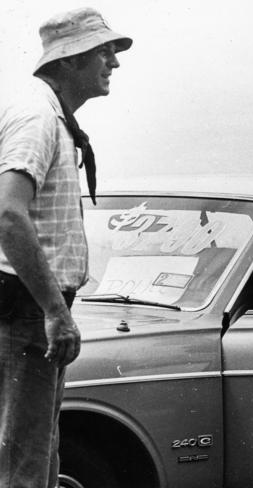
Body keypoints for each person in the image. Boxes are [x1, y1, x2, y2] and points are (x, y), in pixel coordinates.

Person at [0, 8, 132, 487]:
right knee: (25, 462)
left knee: (38, 452)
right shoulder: (38, 118)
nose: (113, 62)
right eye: (102, 51)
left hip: (31, 307)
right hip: (28, 307)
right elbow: (8, 213)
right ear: (69, 60)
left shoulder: (49, 115)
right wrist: (55, 311)